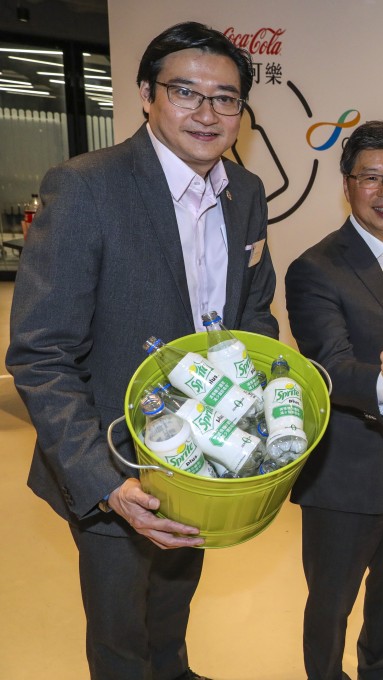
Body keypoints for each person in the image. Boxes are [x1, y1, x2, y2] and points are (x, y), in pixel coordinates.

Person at [5, 22, 278, 680]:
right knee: (122, 635)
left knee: (174, 599)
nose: (208, 113)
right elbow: (41, 354)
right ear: (146, 95)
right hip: (113, 459)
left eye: (226, 98)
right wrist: (105, 482)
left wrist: (251, 404)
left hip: (200, 451)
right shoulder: (87, 188)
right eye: (186, 92)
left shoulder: (246, 196)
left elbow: (254, 315)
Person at [285, 120, 383, 680]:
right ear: (347, 186)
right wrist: (381, 382)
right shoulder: (315, 267)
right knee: (331, 602)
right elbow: (327, 362)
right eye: (371, 178)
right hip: (347, 468)